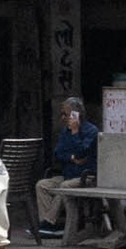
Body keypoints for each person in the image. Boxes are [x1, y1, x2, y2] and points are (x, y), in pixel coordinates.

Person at [35, 96, 99, 237]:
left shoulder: (91, 131)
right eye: (62, 114)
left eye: (66, 114)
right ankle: (47, 224)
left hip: (86, 176)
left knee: (64, 186)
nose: (63, 118)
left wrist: (76, 133)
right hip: (68, 173)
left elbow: (82, 152)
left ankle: (48, 223)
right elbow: (58, 153)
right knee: (42, 185)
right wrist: (71, 158)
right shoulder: (65, 132)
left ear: (77, 115)